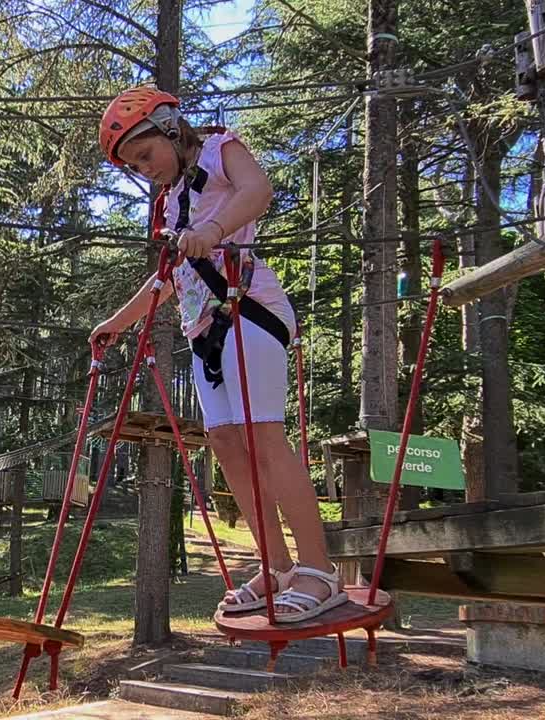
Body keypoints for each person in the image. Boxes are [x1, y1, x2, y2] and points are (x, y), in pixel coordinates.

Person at [90, 86, 345, 623]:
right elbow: (168, 279)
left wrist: (212, 228)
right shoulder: (169, 202)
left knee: (264, 438)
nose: (146, 170)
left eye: (145, 154)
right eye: (134, 166)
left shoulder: (218, 148)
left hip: (249, 309)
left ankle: (319, 571)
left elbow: (257, 190)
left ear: (169, 126)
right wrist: (117, 323)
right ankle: (276, 566)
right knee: (227, 445)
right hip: (203, 329)